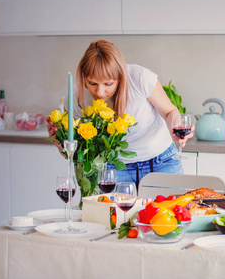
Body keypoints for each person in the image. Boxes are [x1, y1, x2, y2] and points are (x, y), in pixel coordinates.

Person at [47, 40, 193, 184]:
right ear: (84, 77)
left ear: (120, 77)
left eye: (108, 84)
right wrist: (60, 142)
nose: (100, 92)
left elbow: (170, 112)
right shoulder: (75, 99)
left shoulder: (140, 78)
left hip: (161, 162)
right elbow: (77, 154)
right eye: (92, 83)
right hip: (113, 168)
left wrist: (174, 130)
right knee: (109, 209)